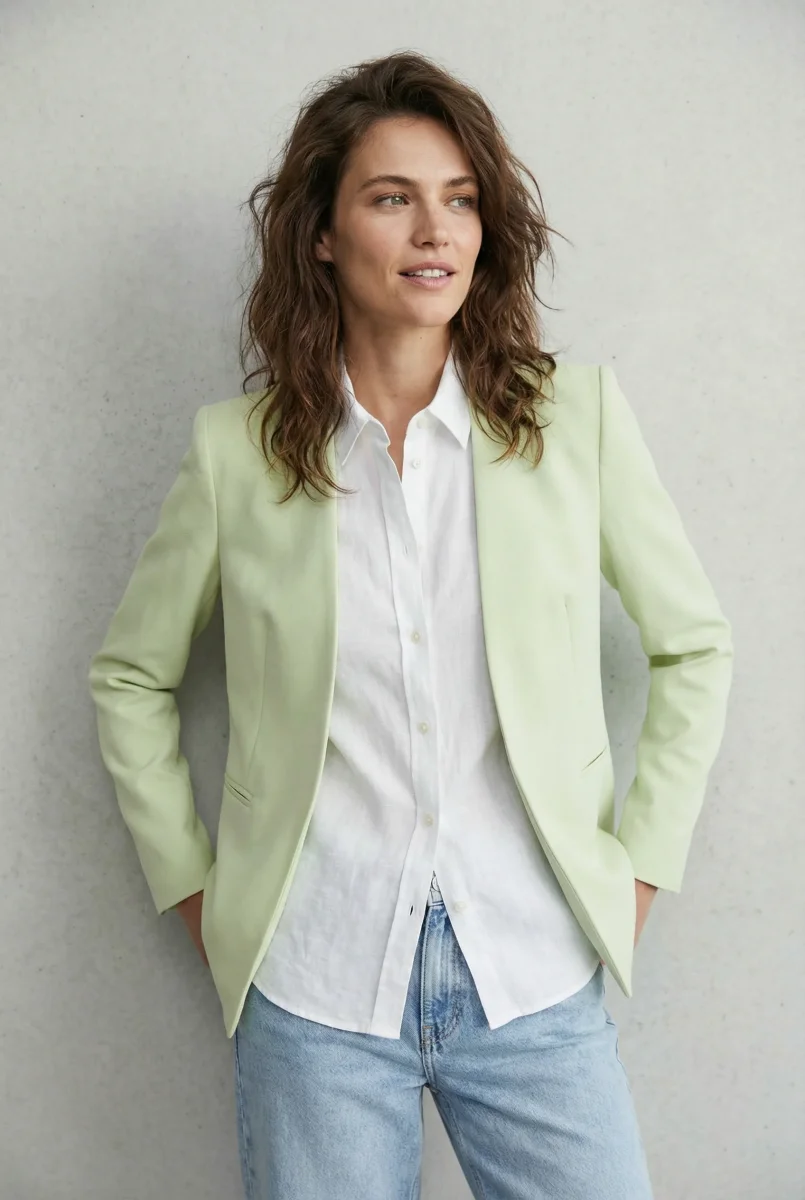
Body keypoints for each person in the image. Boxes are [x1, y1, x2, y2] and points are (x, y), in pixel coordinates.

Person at [87, 49, 733, 1200]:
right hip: (316, 985)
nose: (435, 231)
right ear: (321, 234)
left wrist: (635, 874)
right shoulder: (237, 456)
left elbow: (695, 644)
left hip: (530, 970)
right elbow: (129, 677)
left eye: (460, 199)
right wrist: (198, 894)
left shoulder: (571, 423)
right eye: (392, 198)